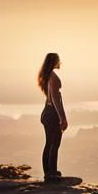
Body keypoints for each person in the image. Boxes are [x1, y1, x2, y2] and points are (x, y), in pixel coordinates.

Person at [37, 52, 68, 181]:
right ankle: (52, 173)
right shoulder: (53, 78)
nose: (60, 62)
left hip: (47, 112)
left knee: (49, 143)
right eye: (58, 60)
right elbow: (55, 99)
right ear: (54, 62)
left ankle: (49, 173)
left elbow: (53, 99)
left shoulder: (48, 76)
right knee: (55, 143)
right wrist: (62, 117)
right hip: (52, 114)